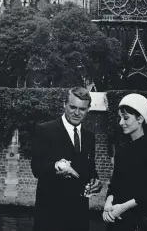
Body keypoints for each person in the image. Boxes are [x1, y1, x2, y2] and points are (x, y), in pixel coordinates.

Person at [31, 87, 102, 231]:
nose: (77, 113)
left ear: (88, 109)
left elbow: (89, 168)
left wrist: (95, 181)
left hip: (79, 217)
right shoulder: (45, 130)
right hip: (50, 217)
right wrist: (55, 166)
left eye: (82, 109)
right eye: (73, 107)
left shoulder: (89, 137)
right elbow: (36, 167)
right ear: (64, 104)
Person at [102, 93, 147, 231]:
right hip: (117, 220)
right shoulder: (122, 150)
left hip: (140, 221)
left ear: (140, 119)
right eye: (120, 118)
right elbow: (115, 184)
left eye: (125, 118)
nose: (120, 123)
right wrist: (108, 203)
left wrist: (123, 207)